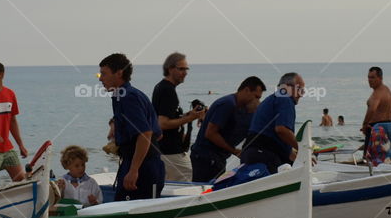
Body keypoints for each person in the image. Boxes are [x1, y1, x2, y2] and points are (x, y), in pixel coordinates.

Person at [99, 53, 164, 200]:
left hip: (144, 167)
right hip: (134, 162)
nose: (100, 78)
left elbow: (146, 133)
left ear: (119, 73)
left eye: (104, 73)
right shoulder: (120, 96)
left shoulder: (128, 97)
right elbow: (158, 133)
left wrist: (134, 170)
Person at [190, 77, 266, 182]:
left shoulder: (245, 109)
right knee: (207, 191)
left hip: (219, 158)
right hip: (206, 157)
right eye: (256, 97)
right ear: (246, 90)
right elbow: (210, 133)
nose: (258, 101)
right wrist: (234, 151)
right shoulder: (227, 104)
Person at [151, 52, 203, 182]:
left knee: (167, 186)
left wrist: (189, 115)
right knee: (187, 185)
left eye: (186, 69)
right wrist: (189, 119)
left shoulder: (162, 87)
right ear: (170, 69)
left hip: (164, 150)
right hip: (171, 151)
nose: (185, 72)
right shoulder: (167, 90)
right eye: (181, 69)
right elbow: (162, 123)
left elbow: (167, 117)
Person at [239, 72, 304, 174]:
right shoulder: (285, 99)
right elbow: (282, 130)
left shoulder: (271, 100)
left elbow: (276, 137)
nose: (301, 94)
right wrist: (303, 149)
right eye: (299, 89)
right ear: (286, 87)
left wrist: (296, 156)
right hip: (264, 155)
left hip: (251, 153)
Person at [362, 66, 391, 155]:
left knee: (368, 156)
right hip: (385, 126)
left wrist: (365, 124)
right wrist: (389, 122)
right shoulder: (386, 90)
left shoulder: (377, 93)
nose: (370, 80)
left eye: (373, 77)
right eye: (369, 77)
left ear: (380, 78)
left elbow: (372, 109)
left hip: (374, 127)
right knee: (383, 156)